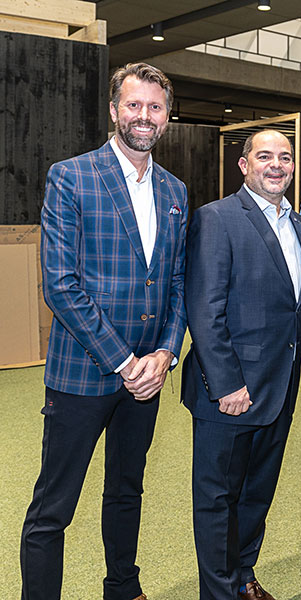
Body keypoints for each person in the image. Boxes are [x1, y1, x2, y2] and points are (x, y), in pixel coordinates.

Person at [20, 63, 187, 600]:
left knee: (126, 490)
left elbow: (178, 281)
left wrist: (165, 351)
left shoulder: (175, 190)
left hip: (148, 376)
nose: (145, 116)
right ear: (114, 110)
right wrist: (125, 362)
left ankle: (123, 587)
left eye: (155, 107)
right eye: (134, 105)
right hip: (84, 374)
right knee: (54, 506)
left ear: (167, 116)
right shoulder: (71, 176)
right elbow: (61, 284)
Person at [181, 129, 301, 600]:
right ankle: (217, 592)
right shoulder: (216, 219)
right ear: (244, 164)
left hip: (280, 388)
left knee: (257, 493)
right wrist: (227, 384)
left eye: (285, 157)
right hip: (230, 392)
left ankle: (242, 576)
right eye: (264, 156)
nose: (276, 165)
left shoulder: (299, 226)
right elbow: (205, 309)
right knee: (217, 499)